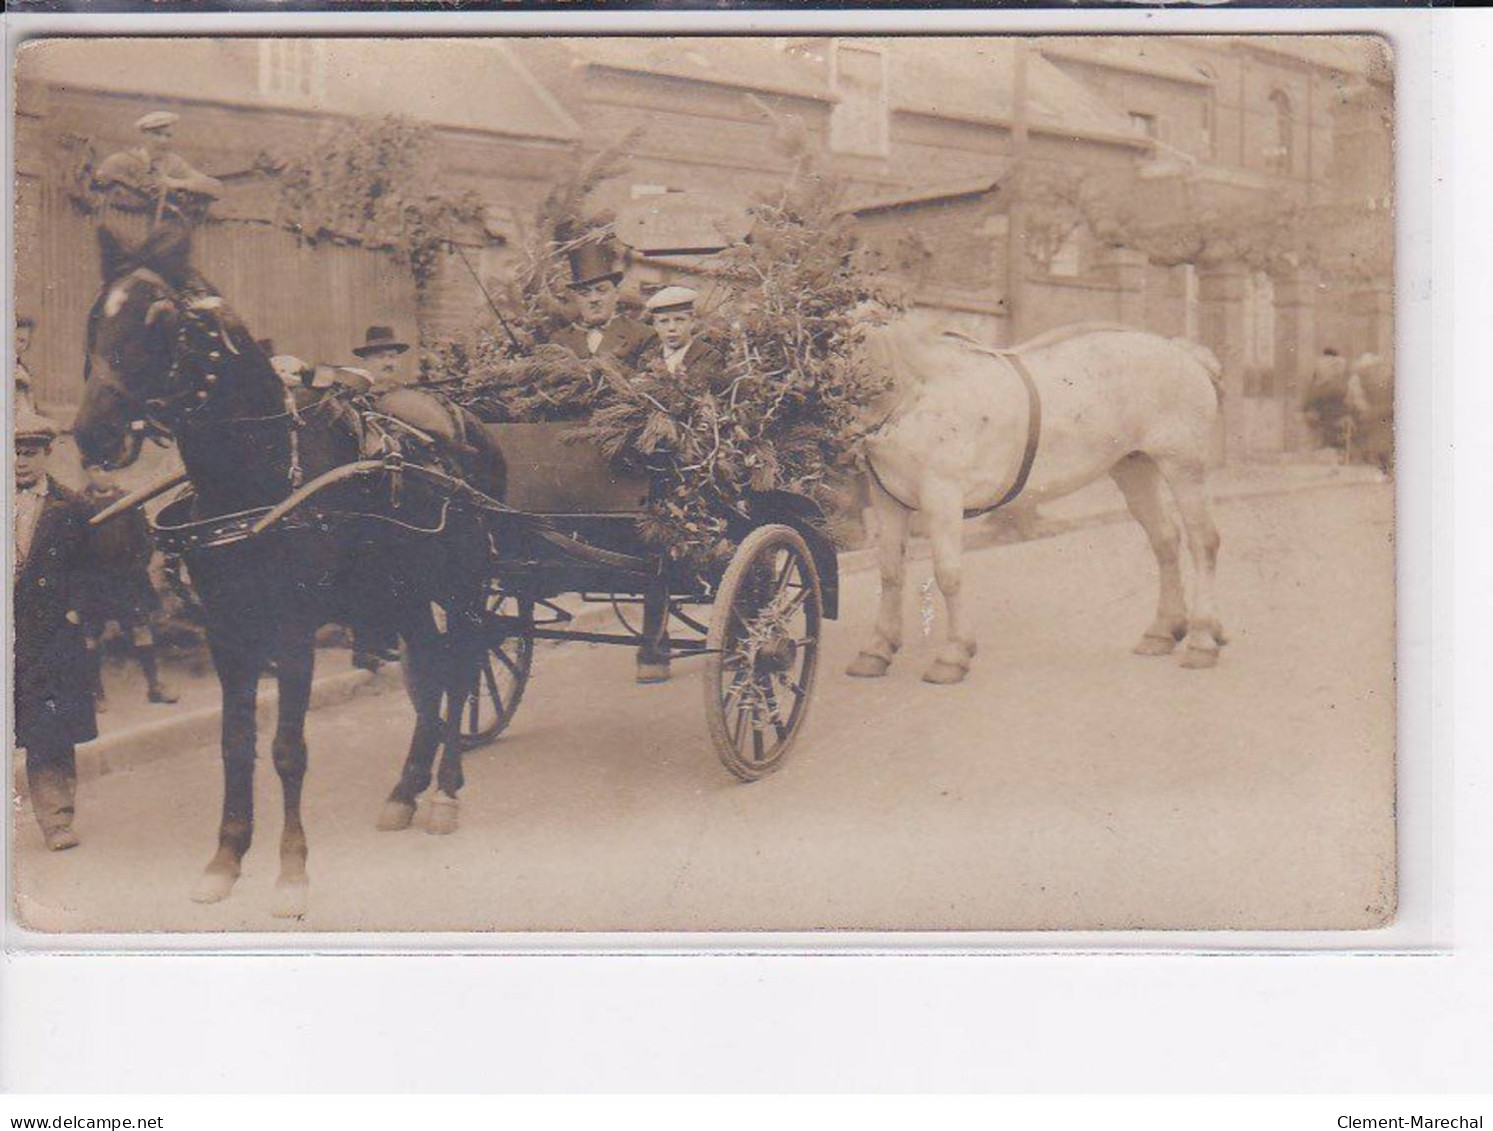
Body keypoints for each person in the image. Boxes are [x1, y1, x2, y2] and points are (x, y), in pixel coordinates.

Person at [14, 411, 98, 851]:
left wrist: (77, 612)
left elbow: (90, 570)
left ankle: (57, 819)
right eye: (13, 452)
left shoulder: (71, 508)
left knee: (48, 729)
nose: (20, 462)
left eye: (29, 453)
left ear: (48, 453)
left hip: (47, 636)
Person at [79, 463, 179, 710]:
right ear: (88, 473)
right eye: (96, 470)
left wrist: (136, 566)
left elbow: (144, 538)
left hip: (128, 578)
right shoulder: (80, 504)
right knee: (91, 635)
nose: (103, 475)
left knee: (140, 628)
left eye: (107, 469)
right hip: (96, 581)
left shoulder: (128, 500)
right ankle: (96, 694)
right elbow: (75, 546)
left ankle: (154, 686)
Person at [547, 242, 654, 370]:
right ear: (577, 299)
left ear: (616, 294)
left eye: (601, 290)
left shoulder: (642, 335)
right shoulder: (560, 341)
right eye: (584, 293)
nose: (594, 299)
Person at [640, 285, 727, 391]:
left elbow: (694, 396)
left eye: (679, 320)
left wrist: (665, 378)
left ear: (692, 322)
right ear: (656, 326)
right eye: (664, 321)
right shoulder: (648, 356)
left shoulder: (708, 356)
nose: (672, 328)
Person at [351, 325, 415, 392]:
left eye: (392, 356)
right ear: (366, 361)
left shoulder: (407, 394)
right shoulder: (353, 395)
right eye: (380, 357)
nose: (388, 363)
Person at [15, 312, 37, 414]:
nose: (21, 346)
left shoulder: (22, 369)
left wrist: (29, 387)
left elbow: (31, 412)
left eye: (23, 341)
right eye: (17, 339)